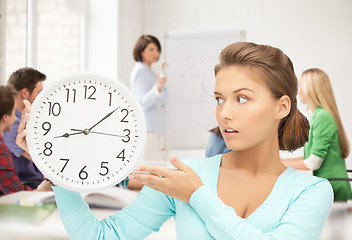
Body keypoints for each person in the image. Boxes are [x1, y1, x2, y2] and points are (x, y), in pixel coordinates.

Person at [17, 42, 333, 239]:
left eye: (242, 99)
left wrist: (197, 195)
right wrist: (54, 167)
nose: (224, 113)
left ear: (282, 106)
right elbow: (101, 236)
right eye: (220, 99)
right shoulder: (188, 175)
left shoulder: (311, 191)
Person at [281, 68, 352, 201]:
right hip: (328, 185)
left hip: (333, 186)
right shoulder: (317, 116)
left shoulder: (322, 117)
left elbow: (313, 163)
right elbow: (311, 156)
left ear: (312, 89)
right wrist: (282, 161)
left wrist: (283, 163)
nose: (298, 91)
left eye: (301, 86)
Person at [0, 85, 51, 195]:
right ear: (5, 117)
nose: (16, 117)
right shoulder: (1, 150)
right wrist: (42, 190)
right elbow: (15, 193)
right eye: (13, 112)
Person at [3, 67, 46, 188]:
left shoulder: (29, 119)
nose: (43, 96)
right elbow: (43, 160)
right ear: (25, 93)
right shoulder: (11, 128)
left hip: (39, 181)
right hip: (31, 186)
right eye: (39, 92)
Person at [130, 35, 167, 163]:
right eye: (151, 49)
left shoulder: (150, 72)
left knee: (155, 167)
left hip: (154, 128)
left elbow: (163, 100)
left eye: (157, 49)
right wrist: (158, 87)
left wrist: (160, 86)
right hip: (148, 128)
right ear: (141, 51)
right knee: (151, 169)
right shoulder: (141, 71)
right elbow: (143, 102)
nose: (155, 53)